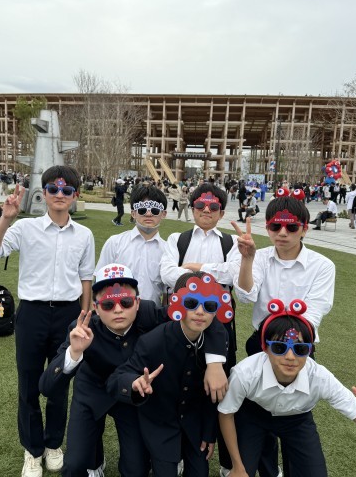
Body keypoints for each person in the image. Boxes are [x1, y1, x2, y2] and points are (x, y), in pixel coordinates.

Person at [40, 264, 228, 477]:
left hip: (132, 395)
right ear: (95, 307)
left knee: (137, 469)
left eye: (126, 302)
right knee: (75, 464)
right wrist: (73, 353)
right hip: (92, 393)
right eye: (108, 304)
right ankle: (94, 460)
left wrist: (215, 363)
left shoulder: (150, 313)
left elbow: (204, 315)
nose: (118, 309)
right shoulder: (83, 328)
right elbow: (46, 387)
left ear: (137, 303)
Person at [0, 165, 95, 477]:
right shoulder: (25, 228)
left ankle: (53, 444)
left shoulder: (84, 235)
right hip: (32, 313)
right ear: (43, 193)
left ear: (75, 195)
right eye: (53, 189)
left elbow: (86, 278)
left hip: (69, 314)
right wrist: (5, 219)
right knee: (29, 383)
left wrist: (84, 319)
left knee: (60, 382)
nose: (60, 194)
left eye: (67, 190)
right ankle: (32, 450)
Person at [218, 300, 356, 477]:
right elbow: (226, 414)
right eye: (279, 347)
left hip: (297, 421)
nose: (290, 356)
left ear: (309, 351)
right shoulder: (245, 373)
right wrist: (237, 467)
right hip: (253, 416)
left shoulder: (319, 376)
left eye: (300, 349)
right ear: (265, 347)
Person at [231, 196, 335, 477]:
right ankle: (268, 470)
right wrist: (247, 260)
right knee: (258, 410)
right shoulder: (259, 256)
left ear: (305, 229)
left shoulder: (322, 265)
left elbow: (314, 312)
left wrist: (285, 347)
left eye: (291, 227)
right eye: (275, 226)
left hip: (300, 346)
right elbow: (246, 296)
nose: (282, 233)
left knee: (294, 410)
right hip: (261, 344)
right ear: (267, 227)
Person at [107, 271, 231, 477]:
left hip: (194, 424)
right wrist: (135, 383)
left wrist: (209, 433)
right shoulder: (152, 342)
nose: (200, 311)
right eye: (191, 302)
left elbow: (213, 394)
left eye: (209, 305)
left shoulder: (217, 344)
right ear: (176, 302)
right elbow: (116, 379)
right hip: (160, 424)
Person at [160, 182, 241, 474]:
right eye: (200, 205)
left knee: (222, 385)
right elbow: (167, 274)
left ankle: (226, 460)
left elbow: (233, 274)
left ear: (221, 212)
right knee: (179, 379)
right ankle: (178, 450)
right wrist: (210, 273)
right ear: (192, 208)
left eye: (213, 206)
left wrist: (194, 268)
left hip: (220, 320)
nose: (206, 210)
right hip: (182, 319)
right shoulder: (177, 239)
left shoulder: (230, 242)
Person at [96, 185, 168, 304]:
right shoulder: (115, 243)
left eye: (155, 210)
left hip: (153, 313)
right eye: (142, 210)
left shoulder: (167, 250)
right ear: (133, 213)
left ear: (163, 214)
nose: (148, 214)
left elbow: (167, 293)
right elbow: (99, 282)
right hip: (117, 310)